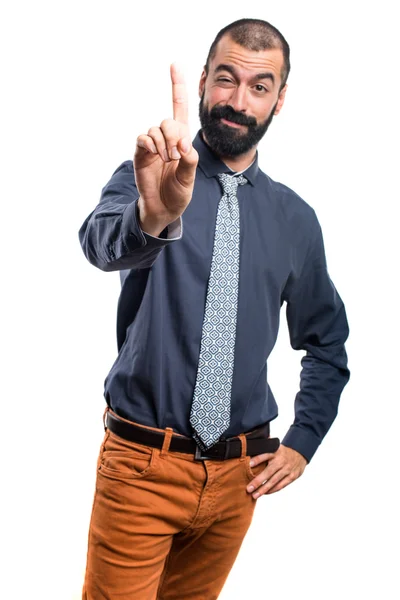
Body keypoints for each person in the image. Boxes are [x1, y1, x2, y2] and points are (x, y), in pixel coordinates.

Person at [78, 17, 350, 600]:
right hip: (142, 468)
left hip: (237, 482)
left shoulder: (295, 220)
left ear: (279, 101)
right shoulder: (147, 174)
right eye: (226, 79)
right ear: (203, 82)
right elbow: (99, 245)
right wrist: (153, 217)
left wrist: (303, 438)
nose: (236, 100)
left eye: (259, 86)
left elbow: (326, 342)